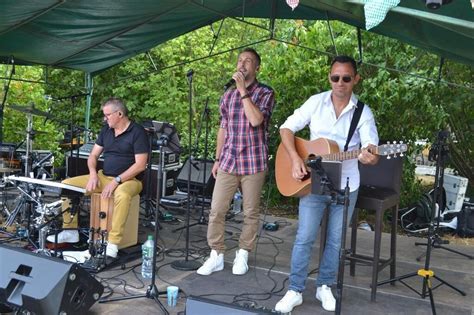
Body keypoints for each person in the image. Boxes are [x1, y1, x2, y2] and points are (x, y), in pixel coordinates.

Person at [275, 55, 379, 312]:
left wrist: (371, 156)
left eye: (346, 78)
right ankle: (295, 289)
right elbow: (286, 129)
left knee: (335, 240)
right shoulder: (315, 102)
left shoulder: (363, 112)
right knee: (305, 237)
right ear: (329, 78)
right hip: (313, 183)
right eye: (335, 78)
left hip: (346, 184)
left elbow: (371, 149)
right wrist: (296, 158)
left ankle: (325, 286)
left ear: (355, 79)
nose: (340, 83)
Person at [197, 48, 275, 276]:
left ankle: (243, 254)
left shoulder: (265, 92)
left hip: (254, 161)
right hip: (229, 160)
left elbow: (255, 120)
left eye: (248, 61)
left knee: (250, 212)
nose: (242, 64)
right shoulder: (227, 95)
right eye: (240, 60)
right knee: (216, 209)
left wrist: (242, 90)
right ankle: (216, 254)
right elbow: (223, 128)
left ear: (256, 68)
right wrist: (217, 157)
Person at [47, 97, 149, 258]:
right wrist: (93, 174)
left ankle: (113, 243)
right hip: (103, 177)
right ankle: (70, 231)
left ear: (120, 114)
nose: (105, 118)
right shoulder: (106, 130)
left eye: (107, 115)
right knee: (67, 184)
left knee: (122, 194)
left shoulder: (137, 132)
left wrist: (117, 181)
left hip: (130, 181)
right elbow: (93, 155)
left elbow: (140, 165)